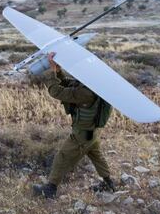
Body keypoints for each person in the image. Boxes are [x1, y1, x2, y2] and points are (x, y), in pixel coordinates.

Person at [33, 52, 115, 199]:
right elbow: (69, 84)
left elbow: (57, 91)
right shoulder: (95, 84)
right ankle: (109, 183)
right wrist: (58, 72)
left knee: (62, 156)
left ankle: (50, 189)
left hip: (82, 134)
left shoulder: (87, 92)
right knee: (96, 155)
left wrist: (51, 72)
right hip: (92, 132)